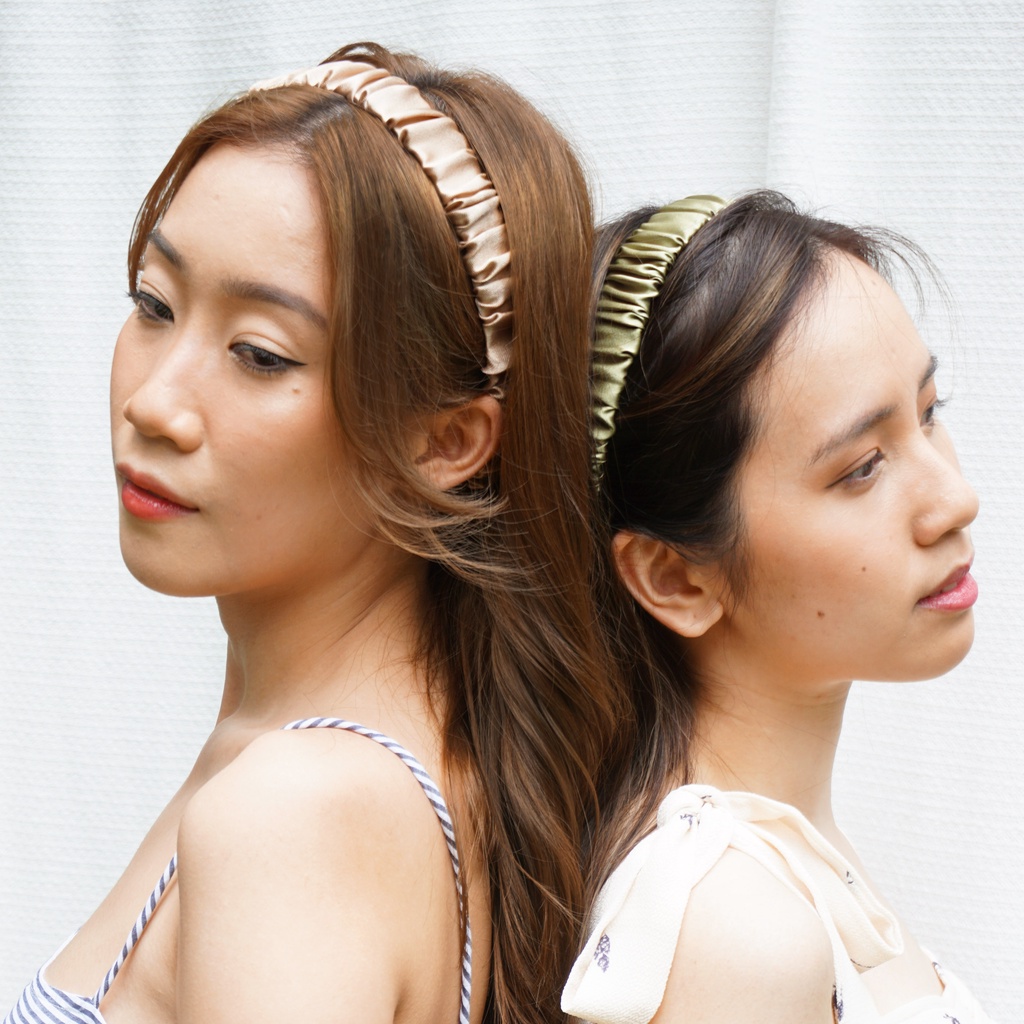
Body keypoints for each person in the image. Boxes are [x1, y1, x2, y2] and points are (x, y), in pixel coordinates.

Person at [4, 42, 628, 1024]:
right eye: (154, 303)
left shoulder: (296, 816)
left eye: (259, 353)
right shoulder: (347, 756)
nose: (156, 402)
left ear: (447, 441)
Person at [561, 192, 995, 1023]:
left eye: (930, 414)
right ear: (675, 578)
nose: (955, 499)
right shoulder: (731, 927)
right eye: (862, 467)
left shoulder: (781, 866)